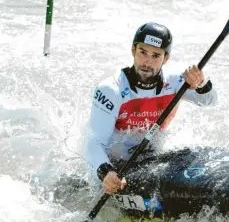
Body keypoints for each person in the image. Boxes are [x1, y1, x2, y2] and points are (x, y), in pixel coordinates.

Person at [83, 22, 217, 196]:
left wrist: (201, 84)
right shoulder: (110, 90)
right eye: (143, 52)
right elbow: (94, 143)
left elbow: (209, 101)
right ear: (133, 50)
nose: (147, 62)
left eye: (156, 56)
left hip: (151, 160)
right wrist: (106, 173)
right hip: (115, 165)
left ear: (165, 59)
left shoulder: (176, 82)